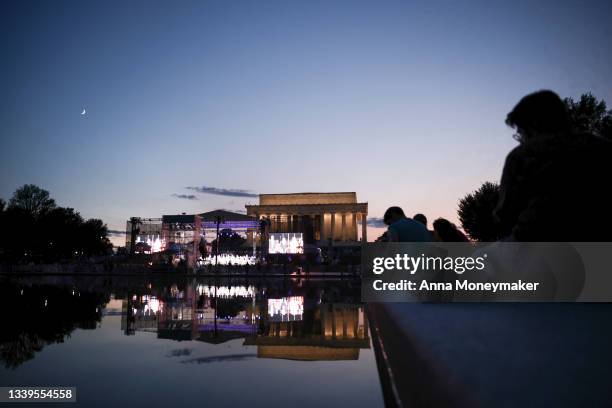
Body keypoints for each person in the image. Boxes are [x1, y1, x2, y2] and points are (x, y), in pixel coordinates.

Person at [496, 90, 612, 241]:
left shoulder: (522, 155)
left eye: (520, 132)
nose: (520, 139)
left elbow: (505, 215)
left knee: (478, 259)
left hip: (538, 245)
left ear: (530, 127)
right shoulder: (602, 147)